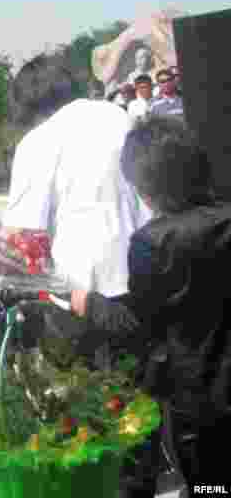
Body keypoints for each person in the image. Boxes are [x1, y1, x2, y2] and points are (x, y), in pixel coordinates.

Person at [71, 117, 231, 492]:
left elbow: (137, 324)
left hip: (198, 402)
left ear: (145, 188)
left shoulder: (152, 242)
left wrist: (88, 303)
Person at [3, 54, 151, 296]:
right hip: (150, 265)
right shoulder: (119, 115)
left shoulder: (37, 141)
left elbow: (20, 234)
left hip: (89, 289)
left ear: (27, 103)